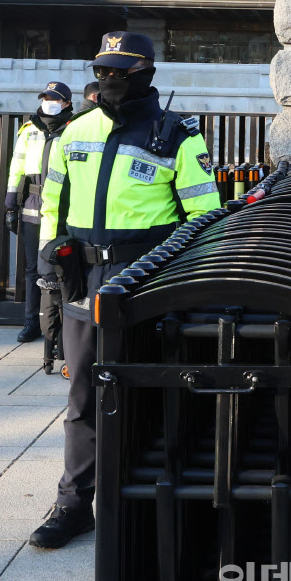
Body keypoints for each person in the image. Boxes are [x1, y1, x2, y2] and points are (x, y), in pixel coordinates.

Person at [29, 31, 221, 549]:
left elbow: (205, 218)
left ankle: (151, 502)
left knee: (154, 389)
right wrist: (50, 259)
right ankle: (74, 504)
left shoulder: (177, 134)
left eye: (121, 72)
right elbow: (52, 202)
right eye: (103, 71)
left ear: (147, 75)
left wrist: (182, 282)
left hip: (147, 279)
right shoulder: (74, 131)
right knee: (83, 394)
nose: (109, 80)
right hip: (82, 281)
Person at [5, 81, 73, 343]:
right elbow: (16, 167)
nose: (49, 102)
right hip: (33, 205)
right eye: (46, 97)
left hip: (64, 207)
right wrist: (11, 205)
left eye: (54, 98)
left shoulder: (73, 129)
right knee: (33, 269)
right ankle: (32, 321)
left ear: (66, 103)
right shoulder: (29, 129)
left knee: (64, 268)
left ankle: (63, 326)